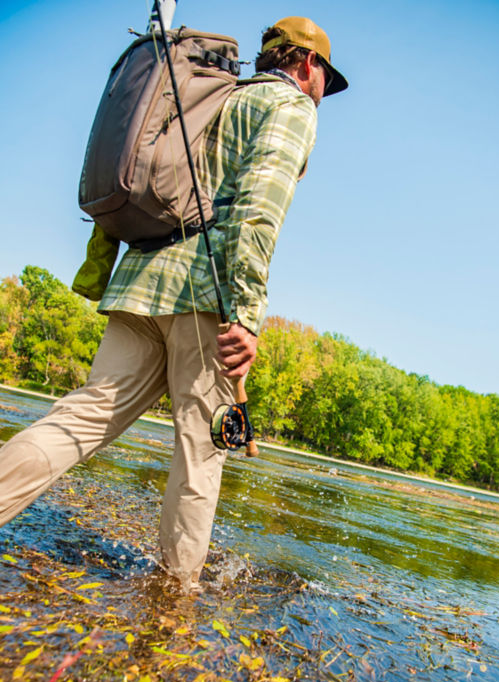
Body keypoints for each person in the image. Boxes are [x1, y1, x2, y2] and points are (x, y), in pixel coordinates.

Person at [0, 17, 348, 591]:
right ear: (308, 65)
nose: (321, 95)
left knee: (78, 420)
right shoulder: (292, 109)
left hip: (138, 281)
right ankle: (174, 600)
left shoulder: (210, 97)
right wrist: (245, 315)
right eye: (323, 81)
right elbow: (257, 212)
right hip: (205, 296)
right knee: (201, 457)